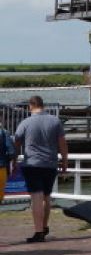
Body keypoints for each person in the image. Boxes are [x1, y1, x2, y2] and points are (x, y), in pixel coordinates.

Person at [13, 95, 67, 243]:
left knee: (36, 197)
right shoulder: (55, 121)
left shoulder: (25, 123)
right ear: (43, 105)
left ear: (31, 106)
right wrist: (64, 161)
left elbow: (16, 144)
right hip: (50, 164)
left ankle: (38, 232)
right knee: (46, 196)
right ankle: (44, 227)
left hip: (32, 164)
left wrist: (13, 161)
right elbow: (62, 144)